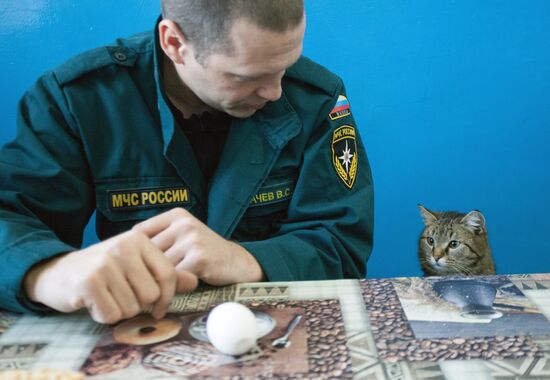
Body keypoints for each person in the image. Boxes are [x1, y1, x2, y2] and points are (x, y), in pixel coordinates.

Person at [0, 0, 374, 324]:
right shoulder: (80, 101)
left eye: (285, 67)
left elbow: (342, 245)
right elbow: (10, 215)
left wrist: (246, 260)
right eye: (248, 76)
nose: (276, 92)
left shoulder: (318, 99)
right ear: (175, 43)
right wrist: (47, 272)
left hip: (274, 331)